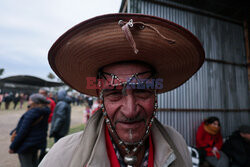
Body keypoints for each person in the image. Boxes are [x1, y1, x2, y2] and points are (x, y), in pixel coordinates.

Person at [39, 13, 205, 167]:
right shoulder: (62, 157)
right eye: (114, 93)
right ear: (100, 96)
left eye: (142, 91)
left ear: (155, 92)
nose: (130, 110)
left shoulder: (177, 144)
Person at [9, 93, 50, 167]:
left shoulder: (32, 113)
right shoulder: (44, 111)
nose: (28, 100)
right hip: (35, 143)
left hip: (26, 145)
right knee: (34, 163)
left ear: (35, 102)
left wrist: (13, 146)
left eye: (30, 100)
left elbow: (23, 131)